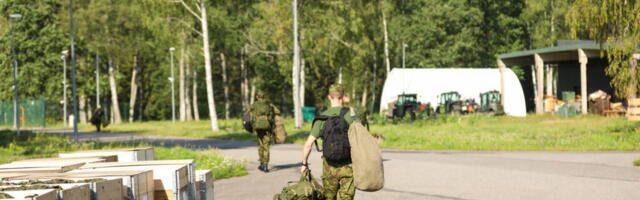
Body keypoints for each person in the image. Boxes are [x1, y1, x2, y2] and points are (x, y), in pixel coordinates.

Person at [301, 84, 359, 200]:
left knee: (328, 197)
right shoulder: (352, 116)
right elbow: (361, 141)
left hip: (329, 169)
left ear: (329, 97)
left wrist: (304, 164)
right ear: (343, 97)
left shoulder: (322, 118)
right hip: (348, 167)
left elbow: (308, 145)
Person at [249, 91, 280, 172]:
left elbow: (248, 113)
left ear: (257, 97)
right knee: (266, 146)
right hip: (267, 128)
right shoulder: (269, 104)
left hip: (258, 127)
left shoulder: (254, 104)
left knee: (260, 145)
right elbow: (278, 112)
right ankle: (266, 165)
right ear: (264, 96)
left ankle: (261, 164)